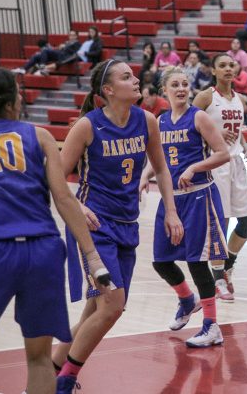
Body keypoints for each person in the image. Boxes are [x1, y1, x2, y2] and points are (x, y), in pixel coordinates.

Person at [0, 68, 112, 394]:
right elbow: (65, 199)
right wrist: (93, 257)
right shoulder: (38, 135)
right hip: (44, 250)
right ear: (8, 100)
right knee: (40, 357)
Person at [53, 60, 182, 392]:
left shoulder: (147, 121)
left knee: (101, 306)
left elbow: (162, 169)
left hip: (127, 223)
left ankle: (53, 367)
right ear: (108, 90)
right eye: (127, 77)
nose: (136, 79)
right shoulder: (87, 126)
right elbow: (55, 179)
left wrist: (171, 211)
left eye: (133, 74)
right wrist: (78, 206)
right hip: (93, 224)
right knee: (112, 305)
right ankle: (65, 379)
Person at [139, 68, 231, 347]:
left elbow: (223, 153)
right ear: (164, 90)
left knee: (197, 262)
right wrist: (145, 176)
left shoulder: (198, 117)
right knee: (161, 260)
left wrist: (194, 167)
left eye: (185, 84)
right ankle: (186, 299)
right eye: (175, 84)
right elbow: (157, 159)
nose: (181, 88)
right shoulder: (159, 121)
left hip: (200, 197)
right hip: (171, 198)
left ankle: (212, 326)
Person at [192, 53, 247, 301]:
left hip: (236, 163)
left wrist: (246, 147)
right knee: (221, 222)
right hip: (215, 164)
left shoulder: (239, 98)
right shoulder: (206, 97)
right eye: (223, 66)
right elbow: (188, 124)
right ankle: (218, 278)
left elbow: (236, 130)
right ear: (214, 71)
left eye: (231, 65)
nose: (228, 68)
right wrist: (213, 131)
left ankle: (227, 263)